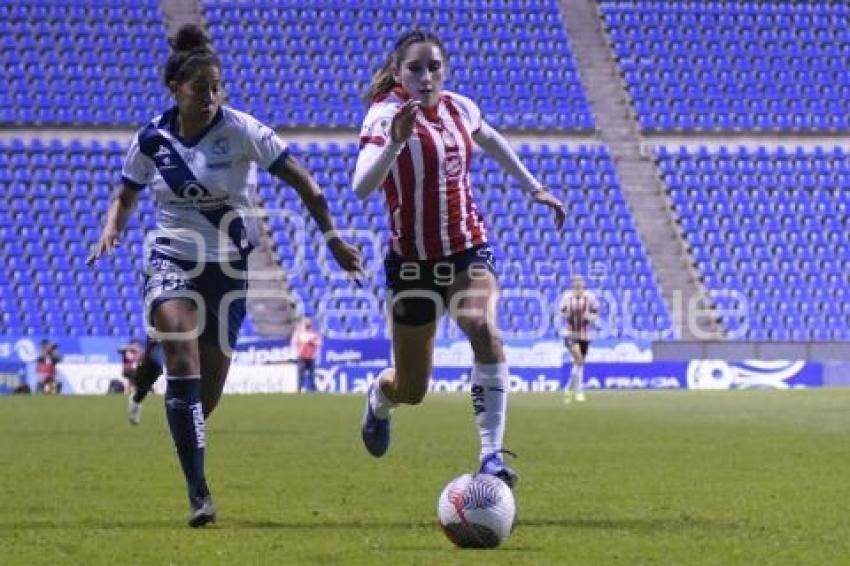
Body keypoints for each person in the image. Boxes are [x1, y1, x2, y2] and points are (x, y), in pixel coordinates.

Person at [86, 24, 361, 527]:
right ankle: (199, 494)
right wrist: (111, 228)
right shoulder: (152, 138)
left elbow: (307, 185)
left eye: (217, 87)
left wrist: (333, 238)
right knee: (182, 353)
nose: (211, 96)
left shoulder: (243, 131)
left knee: (202, 400)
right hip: (172, 256)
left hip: (229, 271)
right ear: (176, 89)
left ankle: (152, 366)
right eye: (201, 88)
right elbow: (127, 192)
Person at [353, 30, 566, 488]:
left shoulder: (459, 108)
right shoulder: (385, 116)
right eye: (415, 68)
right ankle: (380, 398)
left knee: (482, 325)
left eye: (434, 67)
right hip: (411, 263)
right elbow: (361, 186)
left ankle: (491, 455)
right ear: (397, 72)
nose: (426, 76)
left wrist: (535, 187)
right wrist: (394, 142)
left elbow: (489, 138)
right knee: (413, 389)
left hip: (468, 248)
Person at [559, 274, 599, 403]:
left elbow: (596, 313)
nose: (577, 283)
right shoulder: (567, 296)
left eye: (580, 281)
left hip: (584, 334)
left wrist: (590, 317)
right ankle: (579, 391)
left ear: (583, 283)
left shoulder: (590, 297)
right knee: (578, 358)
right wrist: (566, 315)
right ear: (572, 284)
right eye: (575, 281)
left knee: (578, 364)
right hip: (570, 333)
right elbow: (561, 312)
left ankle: (568, 389)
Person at [122, 336, 165, 425]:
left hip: (165, 348)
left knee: (147, 385)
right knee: (144, 387)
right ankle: (135, 401)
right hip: (155, 347)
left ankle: (135, 401)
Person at [290, 317, 321, 393]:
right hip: (302, 357)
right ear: (303, 323)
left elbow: (319, 343)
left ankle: (313, 389)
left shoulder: (314, 333)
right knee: (301, 375)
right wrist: (296, 352)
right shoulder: (299, 333)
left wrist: (312, 342)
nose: (308, 324)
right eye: (306, 323)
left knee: (312, 375)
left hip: (311, 357)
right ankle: (299, 389)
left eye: (309, 323)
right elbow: (294, 343)